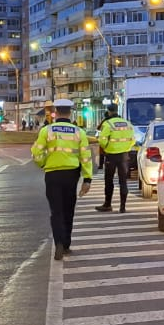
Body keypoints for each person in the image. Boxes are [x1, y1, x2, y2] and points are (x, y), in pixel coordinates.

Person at [31, 99, 92, 260]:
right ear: (70, 113)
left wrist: (44, 163)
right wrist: (87, 179)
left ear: (56, 112)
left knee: (56, 211)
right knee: (68, 210)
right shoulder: (79, 132)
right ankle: (66, 245)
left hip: (52, 175)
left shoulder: (47, 131)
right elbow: (86, 157)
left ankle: (58, 242)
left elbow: (36, 154)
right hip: (71, 175)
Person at [94, 107, 136, 213]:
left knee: (109, 180)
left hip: (111, 155)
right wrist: (126, 148)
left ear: (108, 112)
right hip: (124, 156)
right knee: (123, 181)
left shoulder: (108, 124)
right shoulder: (127, 123)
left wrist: (107, 147)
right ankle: (122, 207)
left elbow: (102, 140)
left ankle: (108, 204)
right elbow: (133, 140)